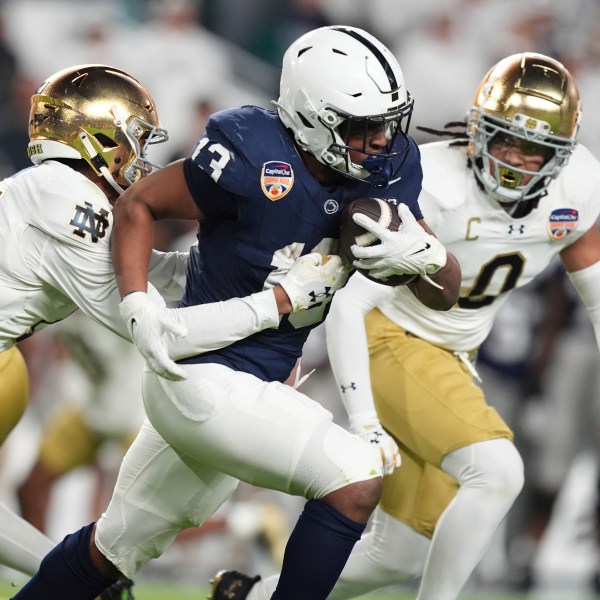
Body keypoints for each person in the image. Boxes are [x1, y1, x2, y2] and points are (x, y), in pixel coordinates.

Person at [11, 26, 461, 600]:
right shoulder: (250, 151)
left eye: (386, 122)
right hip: (202, 377)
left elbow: (445, 292)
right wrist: (137, 304)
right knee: (356, 478)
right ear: (311, 116)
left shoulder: (391, 171)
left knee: (110, 553)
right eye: (361, 126)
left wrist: (430, 257)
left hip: (254, 381)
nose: (379, 141)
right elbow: (139, 202)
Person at [211, 51, 600, 600]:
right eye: (504, 138)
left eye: (532, 148)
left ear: (561, 156)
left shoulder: (578, 189)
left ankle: (246, 596)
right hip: (390, 336)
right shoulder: (432, 184)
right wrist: (364, 417)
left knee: (397, 557)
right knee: (499, 471)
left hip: (452, 358)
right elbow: (351, 306)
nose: (513, 159)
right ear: (476, 130)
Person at [0, 62, 347, 596]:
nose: (141, 158)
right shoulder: (60, 197)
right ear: (96, 141)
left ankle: (77, 577)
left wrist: (235, 269)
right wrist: (276, 301)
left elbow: (151, 271)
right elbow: (161, 333)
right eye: (134, 140)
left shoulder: (51, 193)